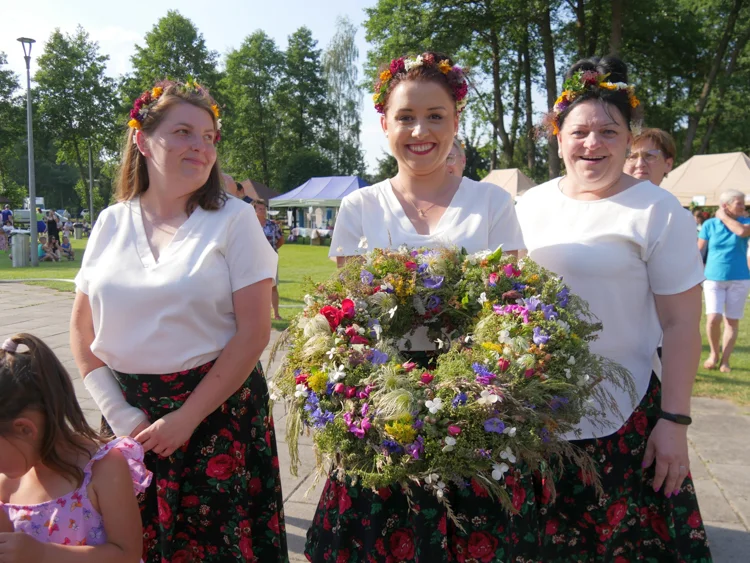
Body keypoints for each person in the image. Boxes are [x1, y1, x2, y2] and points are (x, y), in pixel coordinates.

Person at [308, 52, 527, 563]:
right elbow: (346, 318)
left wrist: (470, 394)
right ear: (384, 123)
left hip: (474, 402)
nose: (420, 130)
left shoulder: (492, 204)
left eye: (436, 116)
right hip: (380, 405)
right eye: (405, 117)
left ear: (455, 120)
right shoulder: (360, 208)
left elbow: (509, 309)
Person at [69, 79, 288, 562]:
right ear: (142, 140)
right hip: (130, 420)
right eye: (184, 132)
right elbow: (82, 332)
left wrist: (186, 419)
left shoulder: (233, 219)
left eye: (209, 137)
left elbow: (253, 333)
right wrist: (120, 415)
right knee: (130, 544)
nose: (201, 146)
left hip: (215, 417)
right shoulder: (111, 221)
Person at [515, 55, 711, 561]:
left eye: (609, 131)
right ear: (558, 137)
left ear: (630, 139)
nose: (592, 143)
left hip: (622, 422)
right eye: (579, 131)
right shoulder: (528, 206)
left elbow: (682, 323)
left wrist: (676, 422)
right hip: (531, 419)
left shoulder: (658, 210)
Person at [0, 333, 149, 562]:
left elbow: (126, 553)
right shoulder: (7, 484)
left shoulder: (104, 468)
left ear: (25, 430)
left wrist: (42, 554)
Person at [698, 189, 750, 373]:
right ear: (726, 205)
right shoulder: (709, 225)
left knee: (732, 321)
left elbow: (742, 232)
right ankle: (713, 354)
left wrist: (723, 216)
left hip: (739, 278)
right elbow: (698, 250)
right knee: (713, 318)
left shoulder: (746, 222)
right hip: (713, 278)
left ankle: (725, 361)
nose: (744, 207)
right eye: (740, 203)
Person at [254, 199, 284, 320]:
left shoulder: (272, 225)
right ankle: (257, 314)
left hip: (270, 259)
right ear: (254, 210)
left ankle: (276, 314)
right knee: (254, 287)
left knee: (273, 286)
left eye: (264, 209)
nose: (263, 211)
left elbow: (281, 240)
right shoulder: (249, 224)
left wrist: (271, 250)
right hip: (254, 260)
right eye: (260, 208)